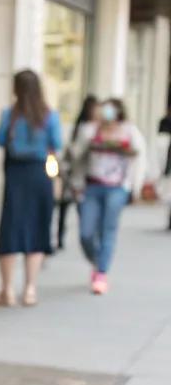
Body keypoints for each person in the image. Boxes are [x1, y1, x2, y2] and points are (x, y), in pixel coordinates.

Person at [0, 69, 62, 307]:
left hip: (15, 174)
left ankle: (7, 290)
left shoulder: (9, 115)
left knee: (11, 227)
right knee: (37, 227)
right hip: (40, 174)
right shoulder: (49, 115)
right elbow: (57, 144)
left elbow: (1, 140)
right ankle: (30, 289)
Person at [72, 98, 145, 293]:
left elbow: (139, 158)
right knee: (86, 233)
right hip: (92, 186)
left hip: (117, 188)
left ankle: (101, 273)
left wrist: (134, 188)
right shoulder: (89, 130)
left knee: (108, 229)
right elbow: (76, 155)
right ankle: (97, 261)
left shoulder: (130, 131)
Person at [55, 94, 98, 250]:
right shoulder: (83, 128)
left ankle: (83, 240)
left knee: (76, 210)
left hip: (83, 177)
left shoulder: (93, 129)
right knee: (66, 208)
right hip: (75, 175)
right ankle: (62, 238)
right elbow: (74, 152)